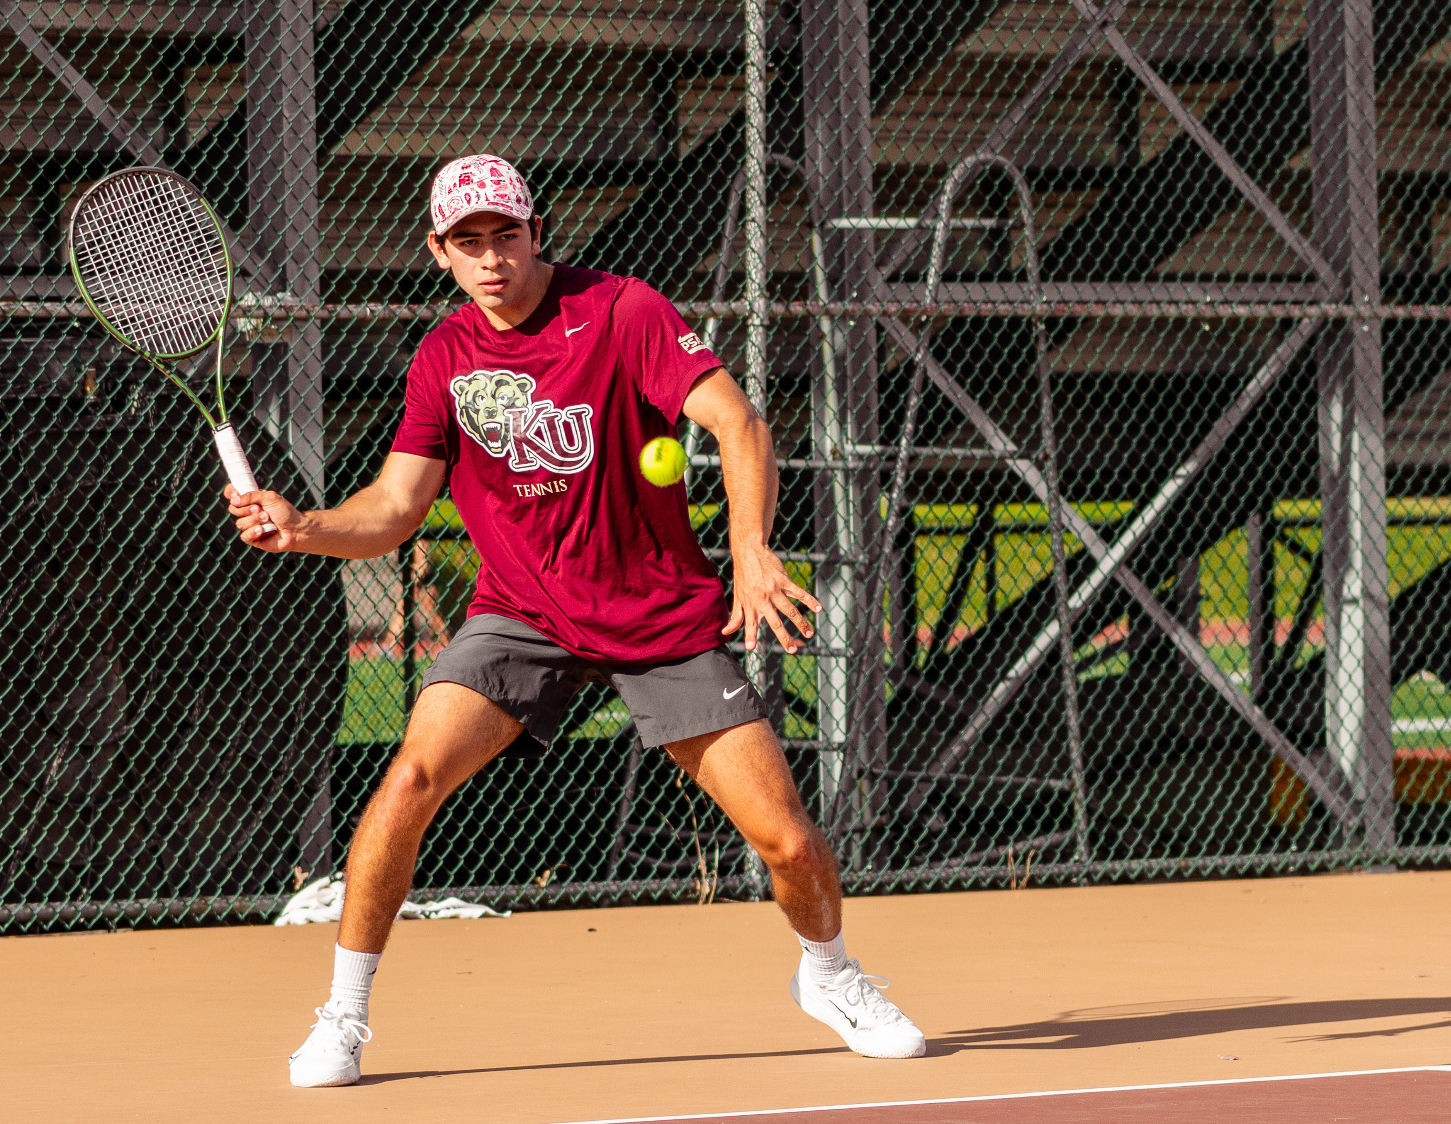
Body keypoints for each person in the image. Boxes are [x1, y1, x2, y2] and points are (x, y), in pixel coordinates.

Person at [223, 154, 927, 1088]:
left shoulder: (625, 311)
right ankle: (343, 1018)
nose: (491, 258)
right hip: (521, 613)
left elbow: (739, 423)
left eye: (505, 235)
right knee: (410, 780)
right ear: (438, 252)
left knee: (788, 841)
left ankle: (830, 976)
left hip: (658, 615)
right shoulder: (443, 359)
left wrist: (753, 549)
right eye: (467, 242)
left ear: (535, 232)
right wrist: (305, 526)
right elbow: (395, 507)